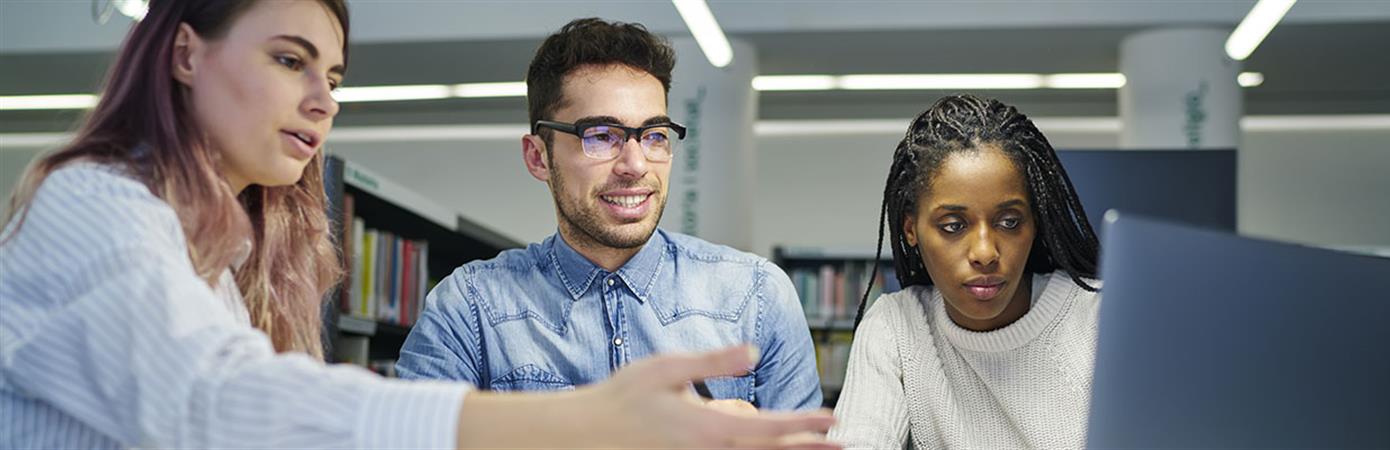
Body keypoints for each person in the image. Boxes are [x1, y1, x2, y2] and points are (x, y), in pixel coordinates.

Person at [0, 1, 836, 448]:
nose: (324, 98)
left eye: (653, 136)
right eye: (289, 60)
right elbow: (215, 404)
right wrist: (585, 426)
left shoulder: (220, 263)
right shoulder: (92, 206)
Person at [394, 18, 822, 412]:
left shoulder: (758, 296)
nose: (635, 165)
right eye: (601, 136)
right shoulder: (471, 308)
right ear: (538, 157)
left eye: (654, 135)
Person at [827, 94, 1103, 449]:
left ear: (1034, 223)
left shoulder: (1101, 316)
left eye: (1009, 221)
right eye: (954, 226)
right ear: (911, 230)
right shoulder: (897, 326)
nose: (985, 253)